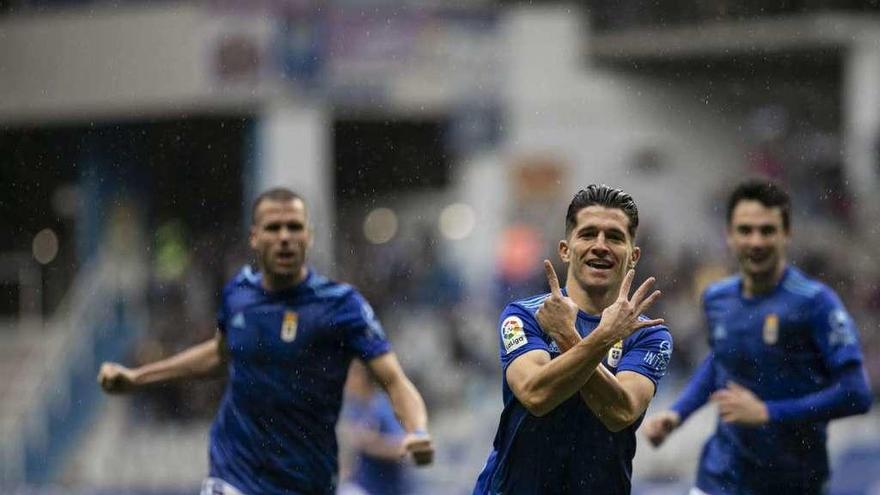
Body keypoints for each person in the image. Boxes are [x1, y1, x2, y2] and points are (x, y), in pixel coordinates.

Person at [97, 187, 434, 495]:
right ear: (255, 238)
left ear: (309, 236)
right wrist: (138, 378)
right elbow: (218, 353)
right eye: (273, 228)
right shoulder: (238, 295)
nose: (284, 237)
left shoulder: (341, 306)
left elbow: (394, 380)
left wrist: (417, 430)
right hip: (234, 476)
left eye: (294, 227)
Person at [642, 179, 873, 495]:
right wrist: (677, 413)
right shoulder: (717, 298)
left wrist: (768, 413)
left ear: (786, 234)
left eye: (767, 230)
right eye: (745, 230)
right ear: (729, 235)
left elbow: (856, 393)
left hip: (794, 481)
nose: (756, 241)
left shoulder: (815, 303)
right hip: (720, 477)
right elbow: (720, 361)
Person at [473, 184, 673, 494]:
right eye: (588, 234)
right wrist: (601, 339)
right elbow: (536, 395)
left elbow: (620, 413)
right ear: (566, 249)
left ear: (633, 256)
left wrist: (569, 336)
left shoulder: (649, 334)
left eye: (615, 237)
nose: (601, 246)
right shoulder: (524, 316)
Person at [337, 360, 412, 495]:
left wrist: (373, 443)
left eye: (350, 374)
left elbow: (405, 450)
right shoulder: (355, 407)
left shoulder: (384, 407)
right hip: (361, 485)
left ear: (364, 378)